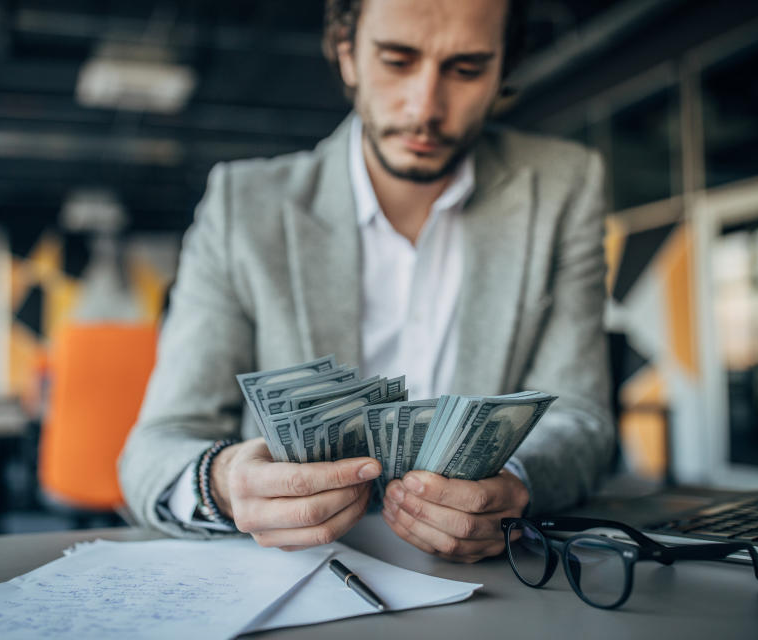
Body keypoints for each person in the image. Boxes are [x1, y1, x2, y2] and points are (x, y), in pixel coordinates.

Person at [119, 0, 614, 563]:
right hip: (298, 580)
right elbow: (155, 446)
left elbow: (583, 419)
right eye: (398, 61)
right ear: (346, 52)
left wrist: (517, 483)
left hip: (498, 585)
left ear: (505, 67)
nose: (425, 107)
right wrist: (225, 482)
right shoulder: (243, 208)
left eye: (467, 69)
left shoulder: (565, 187)